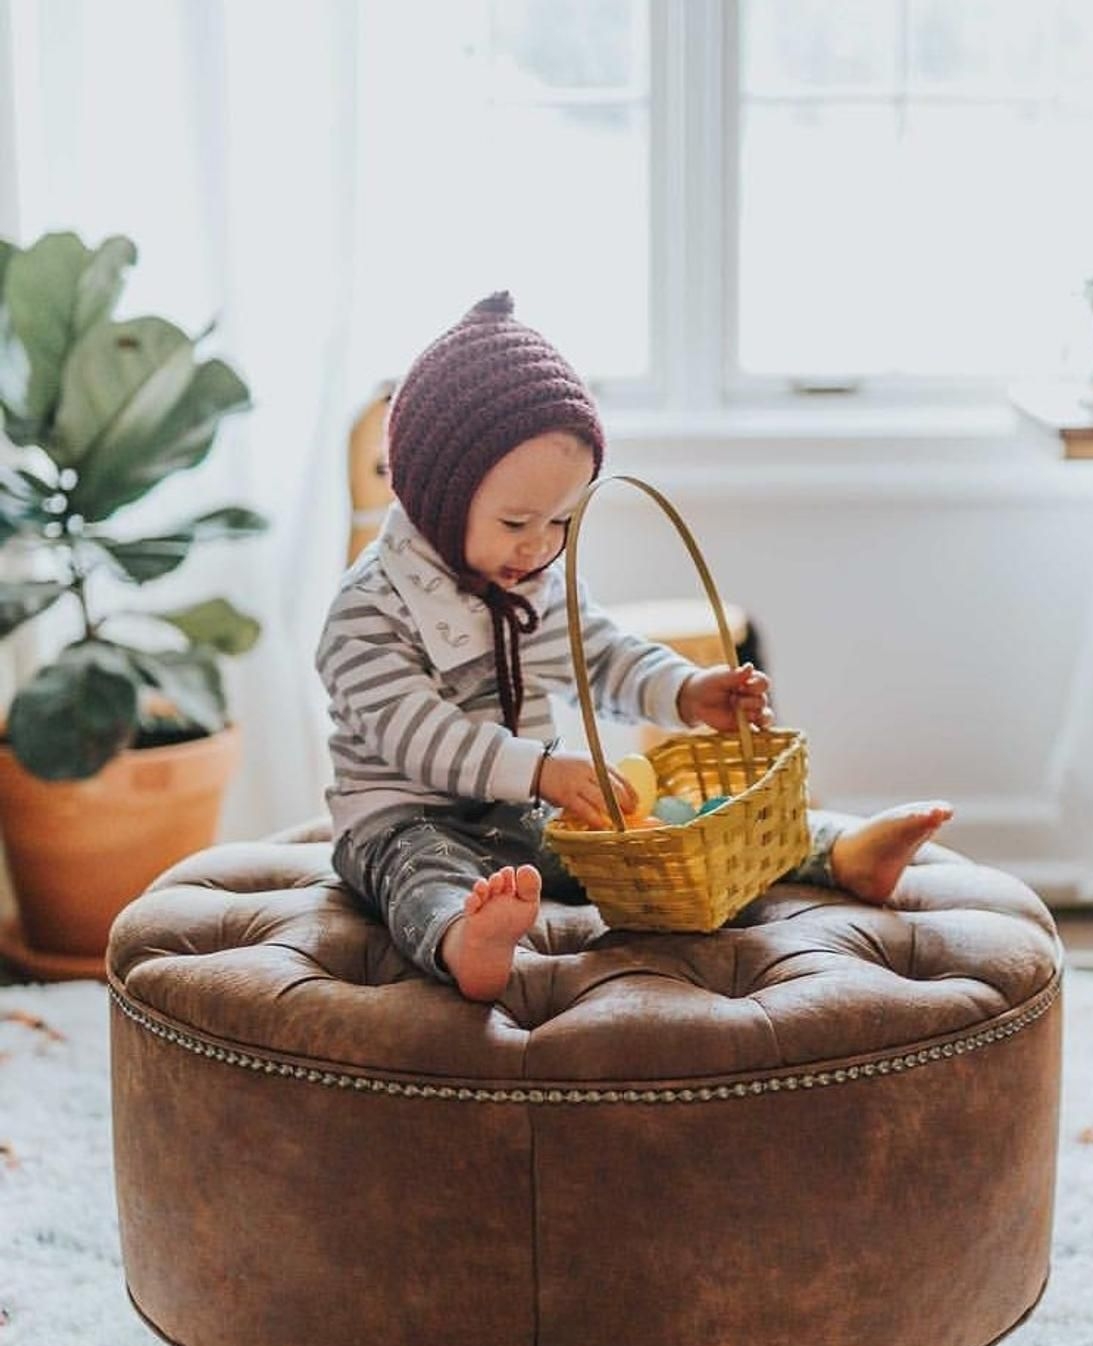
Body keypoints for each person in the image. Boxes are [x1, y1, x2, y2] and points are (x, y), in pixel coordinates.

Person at [317, 292, 953, 1001]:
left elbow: (607, 653)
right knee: (421, 870)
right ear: (437, 498)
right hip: (405, 816)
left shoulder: (534, 584)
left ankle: (837, 849)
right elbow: (418, 737)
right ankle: (463, 938)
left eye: (562, 519)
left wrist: (685, 690)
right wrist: (543, 771)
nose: (539, 547)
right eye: (515, 521)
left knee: (662, 833)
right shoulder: (367, 610)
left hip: (523, 816)